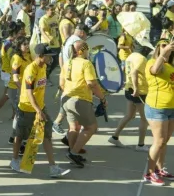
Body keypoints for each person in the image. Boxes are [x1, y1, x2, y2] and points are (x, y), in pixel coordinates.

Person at [10, 43, 70, 178]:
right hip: (27, 108)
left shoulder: (43, 68)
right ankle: (14, 160)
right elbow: (29, 93)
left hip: (40, 108)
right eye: (49, 57)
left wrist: (40, 109)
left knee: (47, 136)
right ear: (41, 56)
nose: (51, 59)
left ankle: (53, 167)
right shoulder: (31, 70)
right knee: (20, 135)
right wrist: (38, 110)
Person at [60, 40, 107, 168]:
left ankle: (72, 151)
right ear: (82, 50)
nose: (88, 52)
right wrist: (102, 98)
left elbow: (61, 84)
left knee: (73, 128)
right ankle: (73, 153)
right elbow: (92, 84)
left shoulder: (67, 63)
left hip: (66, 99)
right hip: (80, 100)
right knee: (91, 128)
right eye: (87, 49)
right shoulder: (86, 64)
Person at [142, 39, 174, 186]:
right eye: (163, 44)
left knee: (165, 140)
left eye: (168, 44)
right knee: (159, 141)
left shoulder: (170, 65)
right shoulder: (152, 62)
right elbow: (154, 70)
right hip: (157, 107)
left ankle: (159, 168)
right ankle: (149, 173)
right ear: (157, 48)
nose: (167, 46)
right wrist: (164, 53)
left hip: (170, 108)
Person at [108, 50, 150, 152]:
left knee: (129, 115)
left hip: (129, 88)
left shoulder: (131, 56)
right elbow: (134, 72)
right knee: (144, 119)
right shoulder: (141, 59)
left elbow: (125, 69)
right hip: (139, 91)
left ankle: (114, 137)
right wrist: (136, 88)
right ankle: (140, 145)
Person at [39, 4, 60, 83]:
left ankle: (47, 74)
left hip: (56, 43)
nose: (53, 11)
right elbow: (42, 31)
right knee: (47, 61)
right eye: (51, 10)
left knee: (56, 61)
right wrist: (48, 39)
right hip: (47, 44)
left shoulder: (55, 17)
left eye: (54, 9)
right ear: (47, 11)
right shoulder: (43, 19)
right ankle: (44, 77)